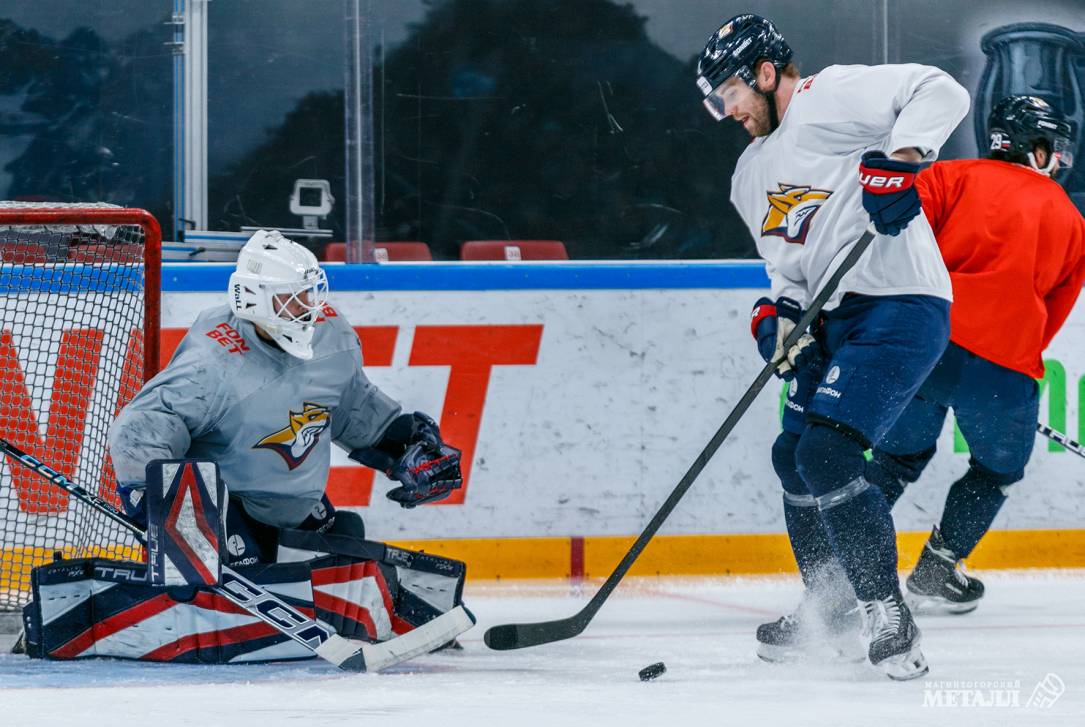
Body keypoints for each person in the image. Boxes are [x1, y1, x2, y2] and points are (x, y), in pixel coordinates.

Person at [695, 14, 969, 679]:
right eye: (713, 100)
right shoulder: (749, 173)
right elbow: (785, 271)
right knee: (791, 454)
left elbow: (940, 90)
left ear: (765, 73)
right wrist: (775, 322)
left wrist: (900, 164)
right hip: (831, 321)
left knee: (826, 450)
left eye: (727, 91)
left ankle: (885, 610)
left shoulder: (829, 96)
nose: (724, 109)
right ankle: (830, 606)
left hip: (901, 303)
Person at [60, 229, 470, 664]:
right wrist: (162, 504)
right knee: (234, 600)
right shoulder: (212, 364)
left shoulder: (331, 335)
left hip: (295, 506)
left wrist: (405, 447)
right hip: (227, 510)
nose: (308, 309)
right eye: (292, 299)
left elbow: (351, 405)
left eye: (310, 294)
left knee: (348, 551)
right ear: (252, 299)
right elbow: (140, 428)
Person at [865, 95, 1085, 614]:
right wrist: (1006, 371)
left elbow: (896, 244)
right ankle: (938, 569)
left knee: (895, 461)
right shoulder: (1072, 220)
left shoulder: (946, 178)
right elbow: (1052, 313)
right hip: (1002, 370)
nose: (1058, 159)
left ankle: (835, 573)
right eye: (1053, 148)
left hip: (924, 348)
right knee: (995, 470)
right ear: (1034, 148)